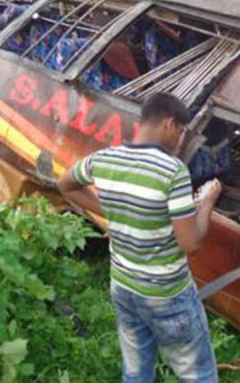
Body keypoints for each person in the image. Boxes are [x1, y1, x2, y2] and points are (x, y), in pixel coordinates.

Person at [57, 93, 223, 383]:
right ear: (170, 124)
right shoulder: (172, 172)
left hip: (123, 286)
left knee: (136, 371)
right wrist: (207, 204)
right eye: (182, 131)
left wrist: (110, 212)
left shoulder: (104, 158)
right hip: (166, 294)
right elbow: (191, 243)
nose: (181, 139)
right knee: (199, 375)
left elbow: (65, 184)